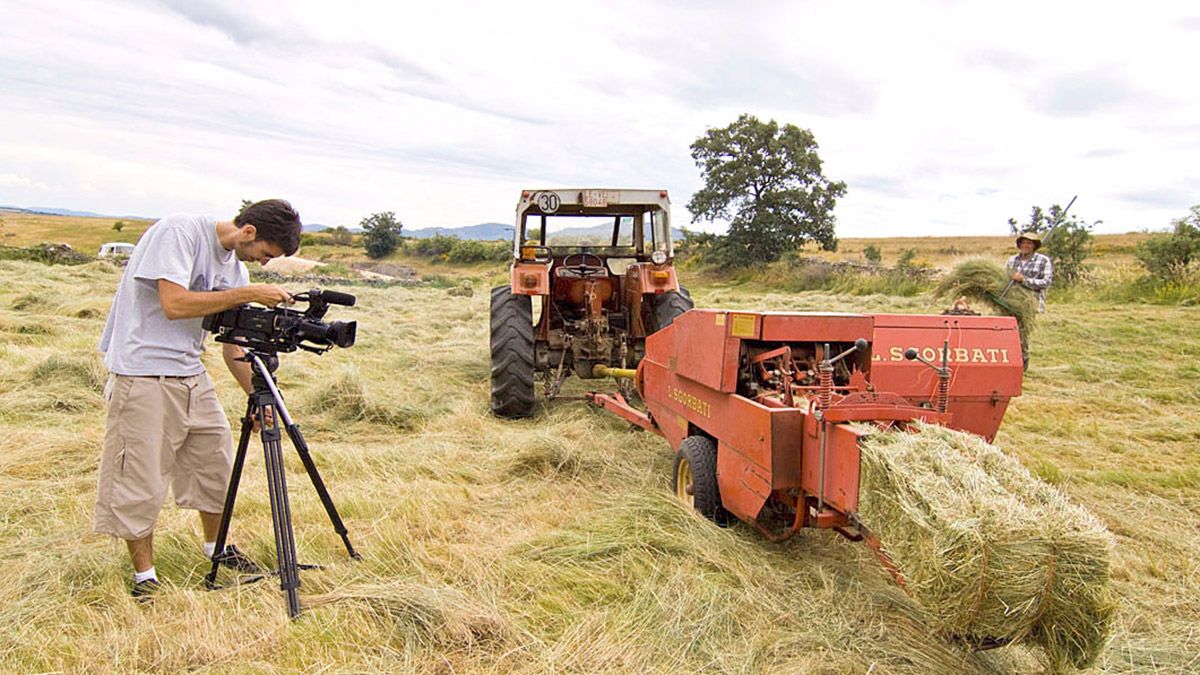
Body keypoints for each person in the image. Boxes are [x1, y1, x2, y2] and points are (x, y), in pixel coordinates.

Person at [94, 199, 302, 600]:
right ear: (248, 232)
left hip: (191, 372)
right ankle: (145, 578)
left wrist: (261, 397)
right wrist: (248, 293)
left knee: (215, 463)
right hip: (143, 372)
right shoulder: (181, 232)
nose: (263, 263)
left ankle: (217, 550)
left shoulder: (235, 269)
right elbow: (174, 304)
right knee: (139, 478)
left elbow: (232, 346)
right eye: (266, 254)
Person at [1007, 231, 1054, 313]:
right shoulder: (1012, 260)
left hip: (1034, 307)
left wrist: (1024, 280)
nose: (1025, 245)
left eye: (1029, 243)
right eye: (1023, 243)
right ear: (1020, 245)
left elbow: (1046, 282)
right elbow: (1005, 280)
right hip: (1012, 306)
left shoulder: (1043, 260)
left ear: (1034, 246)